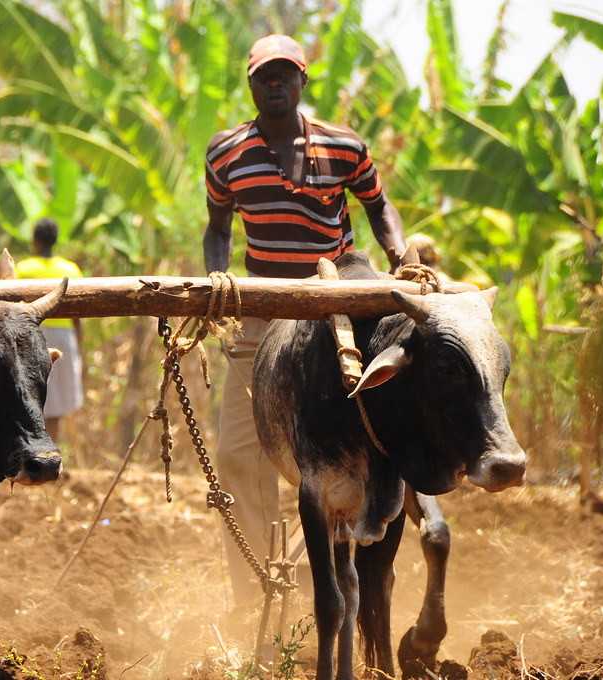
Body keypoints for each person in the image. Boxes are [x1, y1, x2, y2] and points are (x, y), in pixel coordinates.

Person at [203, 34, 413, 605]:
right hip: (262, 313)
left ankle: (373, 571)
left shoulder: (344, 147)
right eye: (264, 76)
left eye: (285, 75)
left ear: (302, 82)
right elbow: (219, 228)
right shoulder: (226, 154)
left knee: (383, 429)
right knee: (236, 454)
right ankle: (255, 590)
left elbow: (378, 205)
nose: (275, 84)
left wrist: (398, 260)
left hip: (338, 309)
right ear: (251, 85)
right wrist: (218, 280)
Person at [15, 218, 84, 442]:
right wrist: (79, 346)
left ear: (35, 240)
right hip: (64, 338)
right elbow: (78, 314)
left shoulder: (23, 269)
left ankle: (35, 447)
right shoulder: (69, 269)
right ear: (55, 240)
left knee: (32, 395)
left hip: (30, 335)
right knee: (57, 402)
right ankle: (52, 447)